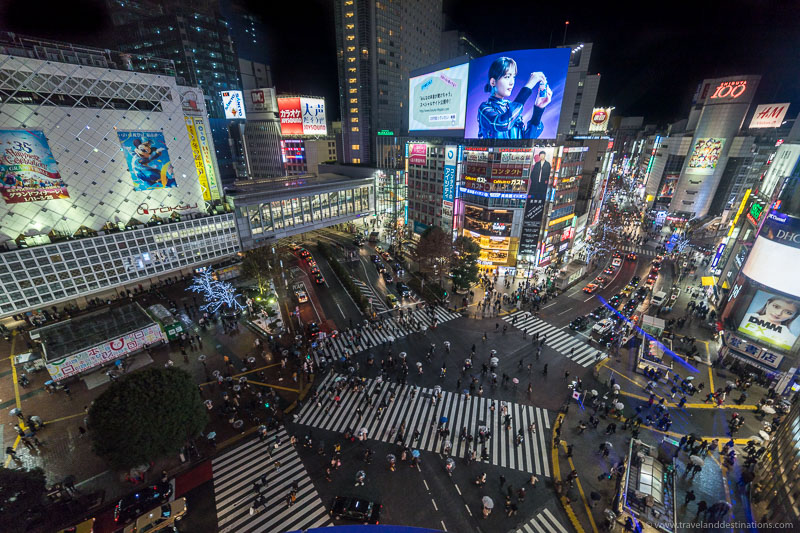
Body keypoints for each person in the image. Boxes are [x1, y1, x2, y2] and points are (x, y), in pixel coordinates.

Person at [476, 56, 552, 140]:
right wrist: (529, 86)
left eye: (513, 77)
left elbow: (526, 141)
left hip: (517, 153)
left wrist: (538, 109)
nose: (512, 82)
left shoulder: (511, 107)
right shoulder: (484, 108)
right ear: (493, 82)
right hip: (493, 152)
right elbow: (503, 124)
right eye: (507, 77)